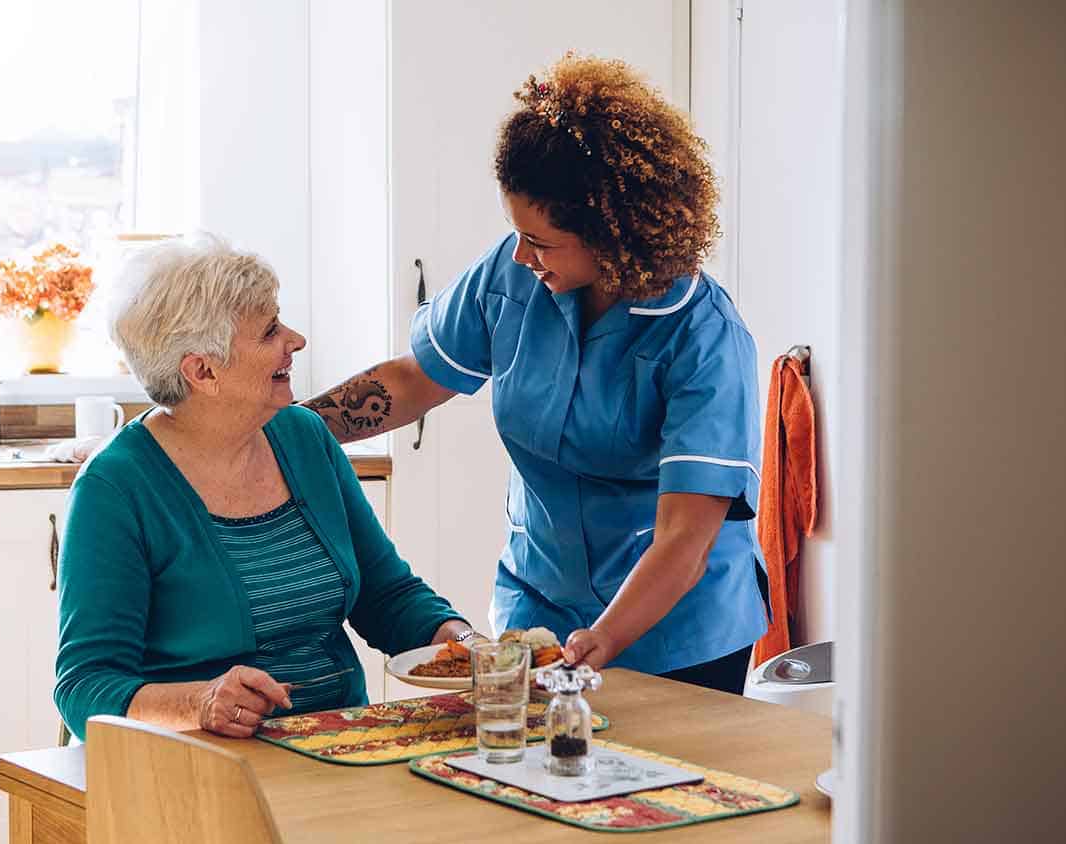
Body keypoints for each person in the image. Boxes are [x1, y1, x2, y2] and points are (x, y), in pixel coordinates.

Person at [304, 54, 767, 694]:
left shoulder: (704, 337)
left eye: (542, 241)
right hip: (539, 607)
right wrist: (288, 430)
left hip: (675, 631)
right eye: (516, 233)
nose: (522, 254)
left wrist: (603, 640)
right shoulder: (513, 271)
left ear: (612, 233)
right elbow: (413, 380)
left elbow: (686, 538)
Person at [54, 235, 474, 740]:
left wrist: (465, 644)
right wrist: (202, 702)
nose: (295, 340)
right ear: (202, 370)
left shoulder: (303, 436)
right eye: (270, 331)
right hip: (199, 764)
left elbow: (386, 597)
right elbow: (84, 685)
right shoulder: (115, 487)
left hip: (336, 744)